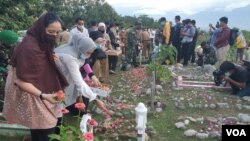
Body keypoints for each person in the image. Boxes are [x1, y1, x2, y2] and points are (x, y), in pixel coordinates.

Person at [3, 12, 68, 141]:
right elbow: (21, 80)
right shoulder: (29, 47)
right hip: (31, 90)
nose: (54, 35)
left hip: (40, 88)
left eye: (57, 32)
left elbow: (43, 65)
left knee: (39, 127)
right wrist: (43, 96)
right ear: (41, 28)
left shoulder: (42, 41)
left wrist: (53, 60)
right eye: (51, 32)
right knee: (45, 126)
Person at [55, 34, 108, 116]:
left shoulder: (76, 50)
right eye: (88, 52)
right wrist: (95, 99)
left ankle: (64, 113)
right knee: (58, 103)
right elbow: (79, 82)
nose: (89, 55)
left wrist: (91, 75)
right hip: (56, 79)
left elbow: (84, 62)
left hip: (64, 77)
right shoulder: (70, 57)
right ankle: (56, 124)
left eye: (91, 53)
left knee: (64, 97)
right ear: (81, 47)